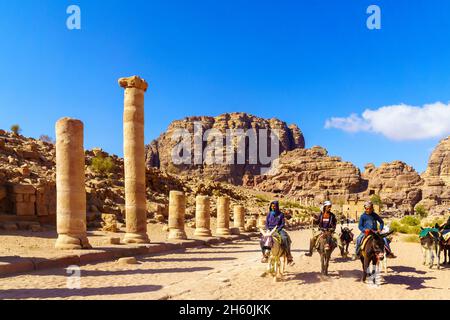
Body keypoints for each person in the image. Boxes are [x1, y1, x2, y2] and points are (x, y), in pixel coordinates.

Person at [260, 201, 295, 265]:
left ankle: (288, 256)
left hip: (278, 230)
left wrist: (277, 230)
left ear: (277, 206)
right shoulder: (269, 214)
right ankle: (265, 256)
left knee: (284, 238)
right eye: (272, 206)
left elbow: (282, 224)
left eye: (274, 206)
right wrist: (268, 229)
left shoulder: (281, 214)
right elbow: (266, 224)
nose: (273, 207)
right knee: (262, 240)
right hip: (269, 230)